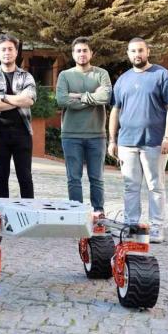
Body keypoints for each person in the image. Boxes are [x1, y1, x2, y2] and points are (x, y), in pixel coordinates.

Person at [107, 38, 168, 243]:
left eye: (140, 50)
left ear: (148, 51)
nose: (137, 54)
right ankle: (131, 226)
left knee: (155, 186)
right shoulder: (123, 80)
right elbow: (115, 110)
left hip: (154, 141)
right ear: (128, 54)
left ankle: (157, 228)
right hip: (127, 142)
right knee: (130, 186)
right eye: (133, 51)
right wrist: (112, 140)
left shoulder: (161, 75)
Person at [55, 37, 111, 215]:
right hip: (71, 135)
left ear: (91, 53)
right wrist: (92, 97)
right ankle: (76, 212)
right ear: (73, 54)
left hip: (96, 135)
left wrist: (79, 96)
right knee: (73, 178)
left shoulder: (101, 74)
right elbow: (62, 100)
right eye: (78, 51)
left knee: (97, 178)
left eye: (85, 50)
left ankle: (98, 212)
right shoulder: (65, 75)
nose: (82, 54)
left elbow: (106, 97)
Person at [0, 34, 36, 199]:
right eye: (3, 49)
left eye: (10, 49)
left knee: (25, 176)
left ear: (16, 52)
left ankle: (29, 211)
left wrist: (2, 97)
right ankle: (3, 211)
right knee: (1, 176)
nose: (7, 52)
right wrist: (18, 100)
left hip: (22, 132)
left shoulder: (26, 76)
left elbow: (29, 100)